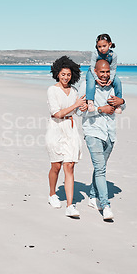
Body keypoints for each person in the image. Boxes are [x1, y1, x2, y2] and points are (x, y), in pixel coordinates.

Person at [80, 59, 125, 220]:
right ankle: (105, 206)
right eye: (102, 72)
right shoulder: (87, 86)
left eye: (107, 72)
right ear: (95, 72)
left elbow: (120, 106)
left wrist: (122, 102)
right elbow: (80, 112)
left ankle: (92, 197)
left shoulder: (114, 85)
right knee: (100, 169)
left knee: (100, 167)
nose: (105, 75)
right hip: (93, 132)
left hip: (110, 133)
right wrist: (100, 109)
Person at [46, 56, 87, 218]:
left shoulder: (75, 91)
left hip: (70, 129)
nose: (65, 77)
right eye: (63, 74)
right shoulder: (52, 90)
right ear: (57, 74)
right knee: (56, 166)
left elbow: (77, 112)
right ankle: (52, 194)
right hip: (55, 128)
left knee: (69, 165)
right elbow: (57, 113)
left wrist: (83, 107)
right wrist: (76, 105)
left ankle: (70, 205)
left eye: (68, 75)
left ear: (73, 75)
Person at [86, 34, 123, 114]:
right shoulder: (95, 54)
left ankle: (118, 103)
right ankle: (90, 102)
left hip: (107, 72)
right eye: (99, 46)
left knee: (118, 82)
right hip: (93, 71)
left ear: (110, 44)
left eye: (104, 46)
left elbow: (113, 69)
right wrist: (96, 78)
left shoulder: (113, 55)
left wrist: (111, 79)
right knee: (91, 83)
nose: (102, 49)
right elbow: (92, 67)